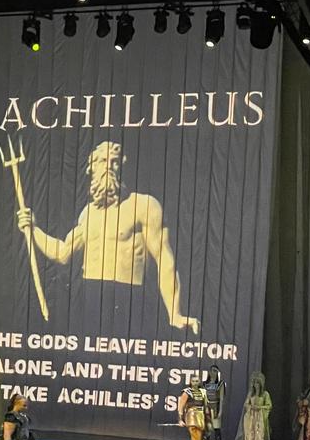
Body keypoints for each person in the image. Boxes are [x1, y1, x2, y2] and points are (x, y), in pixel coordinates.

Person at [16, 140, 199, 333]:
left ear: (123, 166)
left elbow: (165, 260)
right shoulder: (88, 214)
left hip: (129, 298)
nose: (108, 167)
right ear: (92, 168)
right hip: (91, 297)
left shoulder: (143, 206)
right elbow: (62, 253)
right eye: (103, 161)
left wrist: (174, 312)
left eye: (114, 162)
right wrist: (33, 229)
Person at [234, 371, 273, 440]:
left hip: (260, 418)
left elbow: (269, 405)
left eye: (258, 383)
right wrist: (251, 407)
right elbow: (246, 404)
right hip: (251, 418)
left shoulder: (265, 394)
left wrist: (259, 408)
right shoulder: (251, 394)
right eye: (255, 383)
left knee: (260, 435)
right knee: (250, 434)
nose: (256, 385)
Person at [177, 374, 210, 440]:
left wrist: (208, 419)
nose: (195, 383)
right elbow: (180, 407)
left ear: (199, 382)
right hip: (191, 415)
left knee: (197, 439)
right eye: (193, 381)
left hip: (200, 416)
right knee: (195, 436)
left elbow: (206, 406)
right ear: (190, 382)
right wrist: (180, 419)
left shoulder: (203, 392)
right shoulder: (187, 392)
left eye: (196, 381)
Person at [201, 364, 226, 440]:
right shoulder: (205, 384)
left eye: (215, 371)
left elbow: (222, 398)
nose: (213, 373)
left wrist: (220, 411)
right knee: (207, 428)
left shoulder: (220, 384)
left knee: (216, 427)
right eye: (212, 370)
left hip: (216, 406)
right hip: (207, 407)